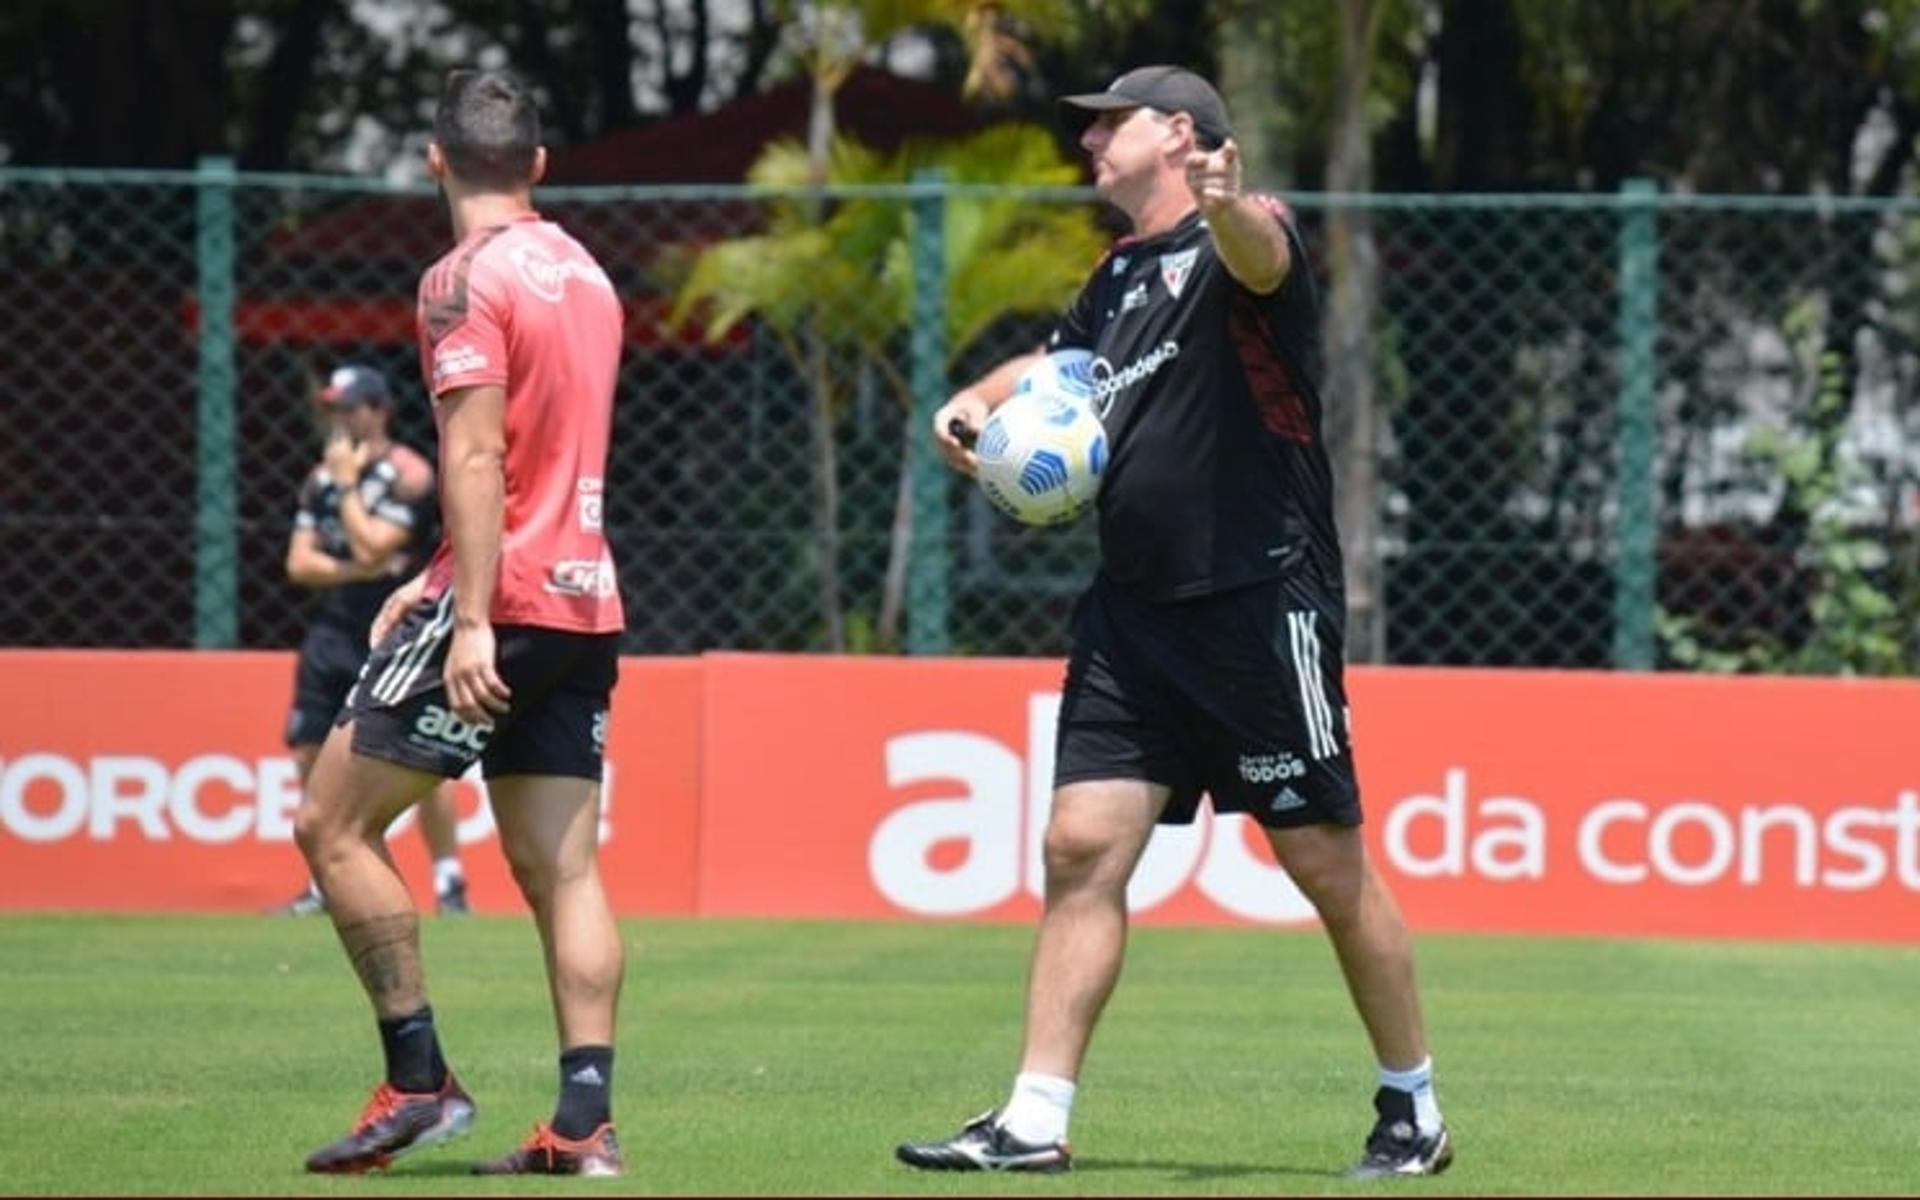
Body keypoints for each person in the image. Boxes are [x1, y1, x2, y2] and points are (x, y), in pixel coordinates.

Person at [895, 66, 1453, 1180]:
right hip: (1133, 612)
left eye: (1112, 122)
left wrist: (1225, 200)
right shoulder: (1115, 276)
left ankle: (1413, 1111)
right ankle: (1034, 1121)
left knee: (1324, 864)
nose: (1092, 140)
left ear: (1180, 133)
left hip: (1256, 595)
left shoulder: (1243, 232)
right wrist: (980, 404)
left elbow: (1261, 254)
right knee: (1079, 848)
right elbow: (1060, 368)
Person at [296, 67, 628, 1177]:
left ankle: (419, 1078)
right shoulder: (583, 271)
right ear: (537, 166)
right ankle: (585, 1125)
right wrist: (439, 572)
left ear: (435, 162)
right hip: (586, 601)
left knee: (332, 828)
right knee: (562, 870)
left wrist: (469, 613)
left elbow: (481, 451)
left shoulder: (462, 277)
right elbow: (544, 453)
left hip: (508, 606)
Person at [279, 363, 469, 918]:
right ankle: (325, 879)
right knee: (308, 748)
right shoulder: (321, 477)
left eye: (351, 407)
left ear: (380, 410)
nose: (340, 419)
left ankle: (449, 878)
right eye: (334, 408)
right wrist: (357, 569)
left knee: (419, 756)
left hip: (395, 627)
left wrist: (345, 490)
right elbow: (300, 564)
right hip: (332, 628)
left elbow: (371, 545)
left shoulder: (407, 472)